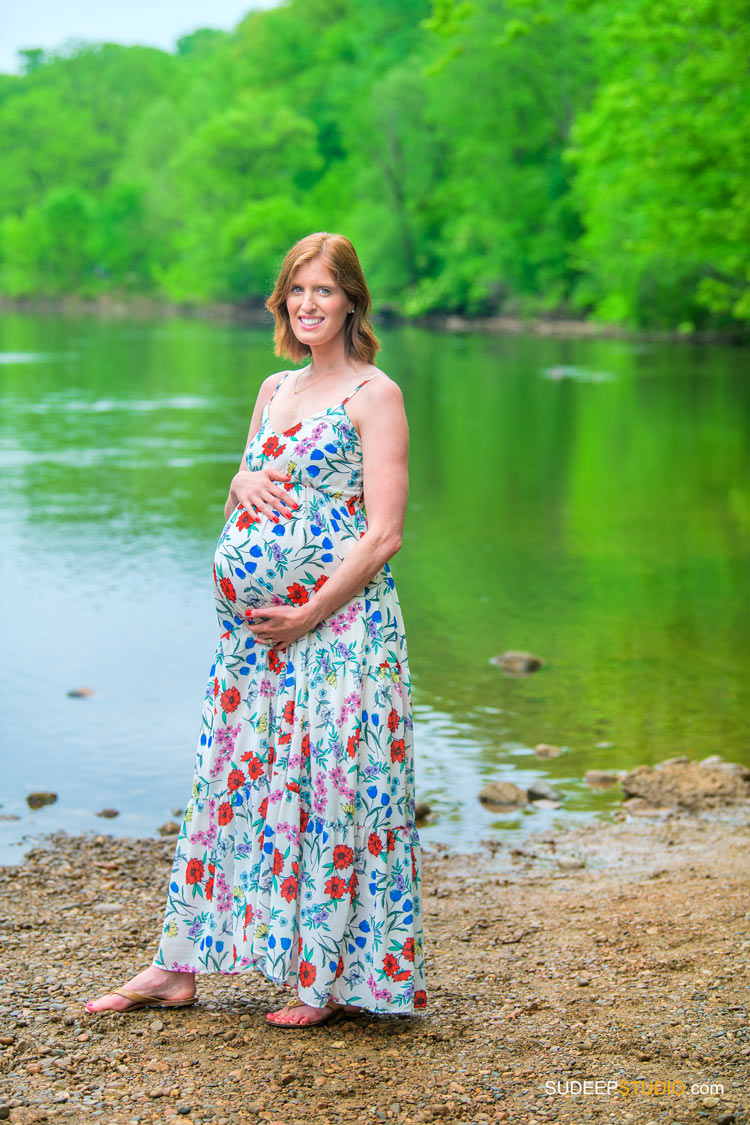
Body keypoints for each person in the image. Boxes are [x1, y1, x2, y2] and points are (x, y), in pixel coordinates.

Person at [85, 231, 427, 1028]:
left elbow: (384, 534)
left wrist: (309, 610)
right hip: (253, 648)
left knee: (339, 791)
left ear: (352, 301)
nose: (309, 304)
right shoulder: (274, 389)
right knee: (229, 785)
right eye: (296, 291)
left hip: (342, 630)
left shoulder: (377, 395)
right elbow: (248, 492)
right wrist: (238, 476)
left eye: (325, 290)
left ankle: (326, 979)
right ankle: (178, 964)